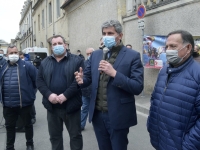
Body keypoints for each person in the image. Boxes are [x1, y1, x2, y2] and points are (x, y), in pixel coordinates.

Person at [75, 19, 144, 150]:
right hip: (98, 115)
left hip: (119, 114)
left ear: (120, 35)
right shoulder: (96, 54)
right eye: (104, 33)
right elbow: (88, 79)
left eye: (110, 33)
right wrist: (82, 80)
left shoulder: (132, 56)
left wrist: (114, 73)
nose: (106, 37)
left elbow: (137, 87)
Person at [147, 30, 200, 150]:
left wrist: (188, 145)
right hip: (159, 141)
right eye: (167, 46)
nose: (168, 50)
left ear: (188, 48)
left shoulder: (197, 75)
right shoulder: (164, 71)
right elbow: (155, 98)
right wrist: (150, 125)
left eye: (173, 46)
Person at [36, 35, 84, 150]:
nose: (57, 46)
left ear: (65, 45)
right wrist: (49, 94)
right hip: (52, 108)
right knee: (55, 137)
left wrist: (65, 95)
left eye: (59, 43)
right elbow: (39, 80)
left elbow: (78, 81)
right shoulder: (45, 62)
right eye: (54, 44)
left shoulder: (77, 60)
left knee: (75, 136)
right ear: (51, 47)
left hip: (72, 107)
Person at [0, 45, 37, 150]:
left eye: (15, 52)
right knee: (10, 127)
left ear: (19, 53)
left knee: (28, 125)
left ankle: (29, 144)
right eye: (11, 53)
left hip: (24, 103)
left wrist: (31, 96)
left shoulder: (27, 66)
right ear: (7, 55)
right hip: (8, 105)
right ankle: (10, 146)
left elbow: (37, 81)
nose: (13, 55)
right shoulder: (3, 68)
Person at [80, 47, 94, 131]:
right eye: (87, 54)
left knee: (95, 109)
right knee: (84, 108)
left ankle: (97, 125)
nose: (89, 55)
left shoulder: (98, 63)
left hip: (95, 91)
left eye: (90, 53)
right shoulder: (84, 63)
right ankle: (81, 125)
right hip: (85, 91)